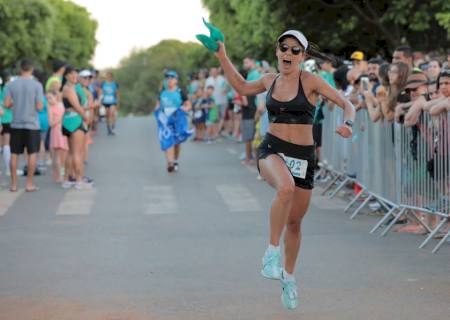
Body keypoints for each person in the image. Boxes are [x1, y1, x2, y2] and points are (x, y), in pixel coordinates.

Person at [213, 30, 355, 309]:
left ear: (302, 56)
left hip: (303, 156)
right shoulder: (270, 81)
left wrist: (347, 125)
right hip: (272, 149)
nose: (288, 54)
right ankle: (271, 252)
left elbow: (346, 103)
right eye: (284, 48)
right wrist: (222, 55)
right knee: (285, 187)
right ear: (277, 51)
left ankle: (289, 278)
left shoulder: (311, 81)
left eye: (295, 50)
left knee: (295, 222)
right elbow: (241, 86)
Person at [3, 59, 43, 192]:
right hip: (32, 124)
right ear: (31, 69)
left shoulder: (11, 85)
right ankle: (29, 184)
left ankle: (14, 185)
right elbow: (39, 107)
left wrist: (17, 104)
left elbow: (7, 104)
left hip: (16, 124)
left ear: (20, 69)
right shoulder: (37, 85)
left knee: (14, 153)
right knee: (32, 153)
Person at [155, 70, 191, 172]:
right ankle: (170, 162)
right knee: (168, 140)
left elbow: (188, 104)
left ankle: (175, 160)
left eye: (172, 78)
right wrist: (157, 111)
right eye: (167, 78)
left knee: (177, 143)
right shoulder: (162, 93)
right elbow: (158, 105)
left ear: (176, 80)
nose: (169, 80)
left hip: (177, 121)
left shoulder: (180, 92)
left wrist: (184, 109)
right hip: (165, 121)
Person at [61, 66, 91, 190]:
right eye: (71, 74)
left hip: (69, 120)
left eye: (76, 74)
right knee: (77, 153)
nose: (74, 76)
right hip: (75, 121)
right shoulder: (69, 89)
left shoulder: (71, 87)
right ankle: (79, 180)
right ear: (66, 76)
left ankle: (67, 180)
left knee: (71, 152)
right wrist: (86, 118)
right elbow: (78, 107)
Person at [47, 90, 68, 183]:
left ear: (56, 97)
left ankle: (60, 174)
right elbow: (51, 123)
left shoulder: (62, 105)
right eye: (47, 99)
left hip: (64, 130)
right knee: (57, 155)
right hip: (56, 131)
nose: (49, 100)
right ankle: (58, 175)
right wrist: (59, 119)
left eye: (50, 98)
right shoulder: (51, 108)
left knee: (63, 153)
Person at [205, 67, 228, 134]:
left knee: (222, 116)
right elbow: (206, 91)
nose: (214, 72)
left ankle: (218, 131)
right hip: (213, 101)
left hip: (222, 100)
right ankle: (216, 131)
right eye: (212, 71)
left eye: (215, 71)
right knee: (215, 117)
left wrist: (225, 90)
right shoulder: (208, 80)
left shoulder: (222, 79)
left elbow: (226, 88)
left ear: (217, 72)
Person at [0, 71, 12, 177]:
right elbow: (9, 104)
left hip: (4, 118)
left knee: (3, 145)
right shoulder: (7, 89)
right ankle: (8, 169)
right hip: (7, 118)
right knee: (7, 145)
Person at [101, 71, 120, 135]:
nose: (109, 77)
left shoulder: (115, 84)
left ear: (112, 77)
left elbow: (117, 93)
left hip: (113, 101)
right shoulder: (103, 84)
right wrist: (100, 100)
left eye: (110, 76)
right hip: (105, 101)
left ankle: (113, 127)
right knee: (107, 115)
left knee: (112, 113)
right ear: (106, 77)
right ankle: (108, 128)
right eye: (107, 76)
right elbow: (101, 93)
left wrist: (118, 102)